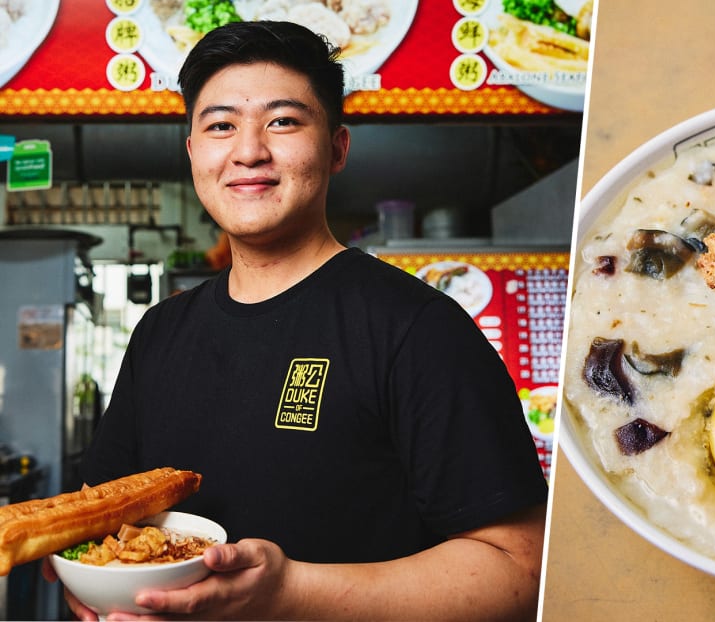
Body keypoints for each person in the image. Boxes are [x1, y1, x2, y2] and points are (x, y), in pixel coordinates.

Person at [46, 19, 549, 621]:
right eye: (220, 125)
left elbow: (521, 569)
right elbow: (103, 518)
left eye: (283, 121)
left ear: (337, 147)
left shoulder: (417, 328)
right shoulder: (160, 331)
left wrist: (289, 594)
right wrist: (95, 587)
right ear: (192, 152)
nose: (249, 150)